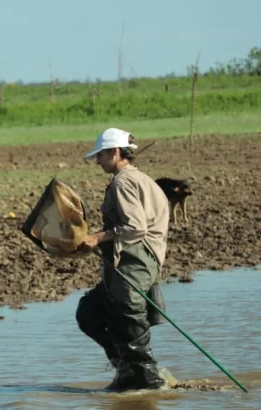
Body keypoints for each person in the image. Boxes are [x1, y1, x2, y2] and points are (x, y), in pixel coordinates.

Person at [75, 128, 170, 391]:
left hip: (136, 260)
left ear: (115, 152)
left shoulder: (122, 182)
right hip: (135, 260)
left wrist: (98, 236)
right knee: (90, 313)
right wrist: (101, 240)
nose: (98, 161)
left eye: (101, 155)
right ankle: (125, 367)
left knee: (128, 315)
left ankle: (147, 379)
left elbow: (135, 227)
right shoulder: (141, 179)